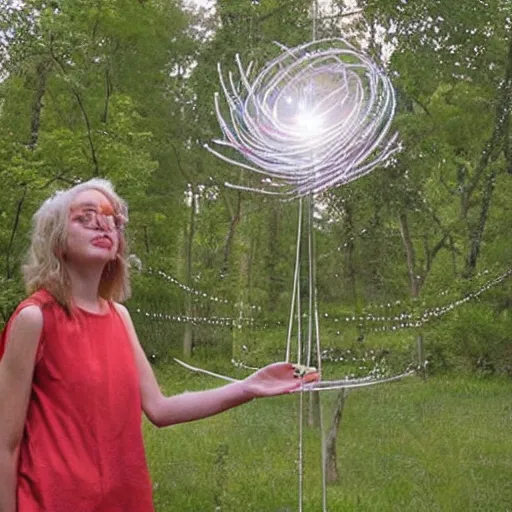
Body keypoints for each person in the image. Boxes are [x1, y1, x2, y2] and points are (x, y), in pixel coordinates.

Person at [0, 179, 319, 512]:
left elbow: (160, 409)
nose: (103, 223)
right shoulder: (35, 318)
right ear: (57, 241)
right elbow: (5, 445)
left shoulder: (119, 317)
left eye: (112, 218)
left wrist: (250, 387)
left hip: (126, 502)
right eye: (85, 217)